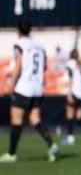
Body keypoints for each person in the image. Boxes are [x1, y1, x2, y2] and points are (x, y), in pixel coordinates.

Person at [1, 19, 59, 163]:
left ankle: (11, 153)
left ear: (18, 31)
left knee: (16, 119)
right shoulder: (39, 45)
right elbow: (44, 65)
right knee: (35, 120)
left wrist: (11, 84)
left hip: (24, 87)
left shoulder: (19, 44)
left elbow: (18, 66)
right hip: (37, 88)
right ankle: (52, 145)